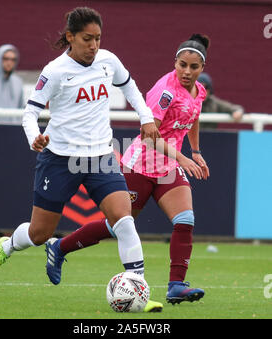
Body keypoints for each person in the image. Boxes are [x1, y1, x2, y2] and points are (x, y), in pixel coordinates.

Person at [0, 7, 162, 312]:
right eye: (87, 39)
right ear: (70, 37)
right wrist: (33, 137)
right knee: (40, 234)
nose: (94, 45)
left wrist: (146, 117)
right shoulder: (55, 71)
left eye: (98, 39)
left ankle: (138, 291)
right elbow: (30, 112)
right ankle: (6, 246)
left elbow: (130, 88)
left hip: (100, 157)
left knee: (124, 219)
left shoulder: (108, 61)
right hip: (59, 160)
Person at [46, 34, 211, 305]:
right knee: (119, 225)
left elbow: (193, 117)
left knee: (185, 220)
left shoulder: (199, 90)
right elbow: (149, 135)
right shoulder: (165, 91)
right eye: (182, 65)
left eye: (194, 67)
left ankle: (176, 285)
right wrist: (183, 158)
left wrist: (195, 151)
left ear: (202, 68)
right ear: (175, 62)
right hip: (140, 166)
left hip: (168, 167)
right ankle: (59, 247)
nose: (187, 71)